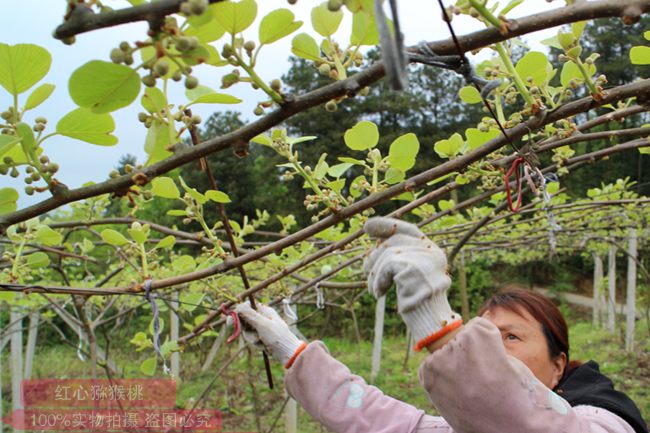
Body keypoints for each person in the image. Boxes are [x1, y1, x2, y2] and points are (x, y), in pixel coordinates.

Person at [234, 217, 648, 433]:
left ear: (560, 366)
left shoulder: (604, 420)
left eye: (511, 336)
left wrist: (437, 322)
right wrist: (291, 348)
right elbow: (384, 421)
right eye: (483, 334)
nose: (493, 347)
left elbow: (530, 421)